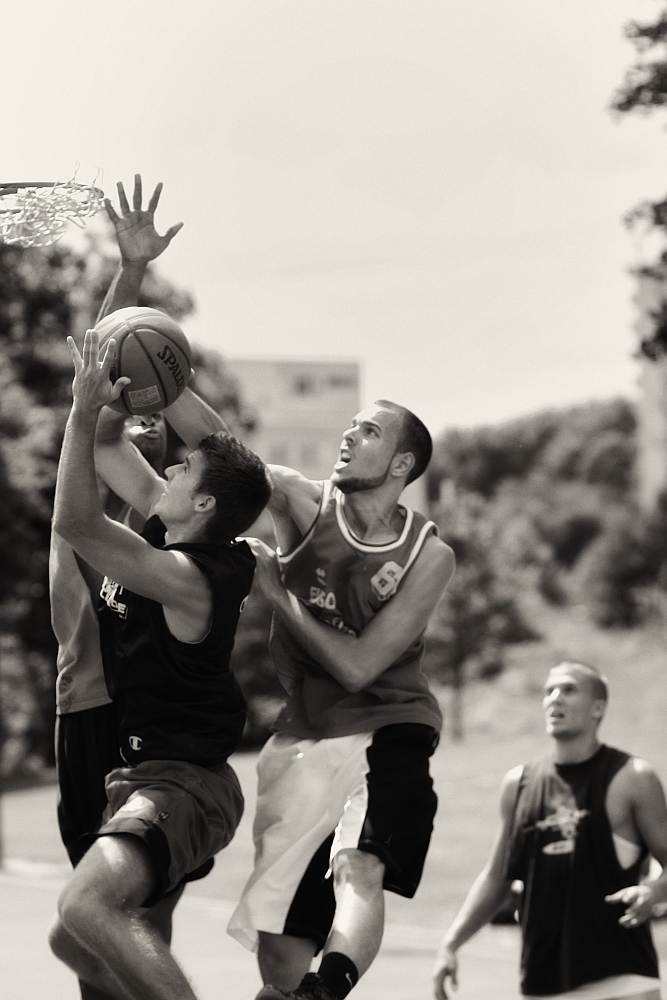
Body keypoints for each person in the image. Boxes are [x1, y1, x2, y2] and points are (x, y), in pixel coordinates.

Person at [47, 330, 272, 993]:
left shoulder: (194, 574)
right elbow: (109, 447)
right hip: (148, 773)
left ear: (202, 503)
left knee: (84, 905)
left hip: (184, 786)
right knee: (78, 944)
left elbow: (79, 525)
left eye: (182, 471)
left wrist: (84, 410)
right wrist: (117, 393)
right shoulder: (169, 527)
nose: (169, 469)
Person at [227, 400, 456, 1000]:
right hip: (305, 733)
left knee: (361, 863)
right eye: (351, 425)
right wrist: (130, 392)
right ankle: (304, 990)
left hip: (390, 722)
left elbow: (358, 667)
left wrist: (276, 594)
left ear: (402, 462)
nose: (350, 434)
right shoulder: (304, 503)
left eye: (370, 430)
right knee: (278, 954)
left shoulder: (428, 555)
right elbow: (224, 455)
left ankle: (329, 988)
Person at [432, 660, 667, 1000]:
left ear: (598, 707)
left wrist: (653, 893)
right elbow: (498, 877)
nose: (555, 698)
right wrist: (450, 944)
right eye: (549, 691)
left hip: (623, 981)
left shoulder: (632, 778)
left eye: (569, 689)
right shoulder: (519, 784)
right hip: (542, 984)